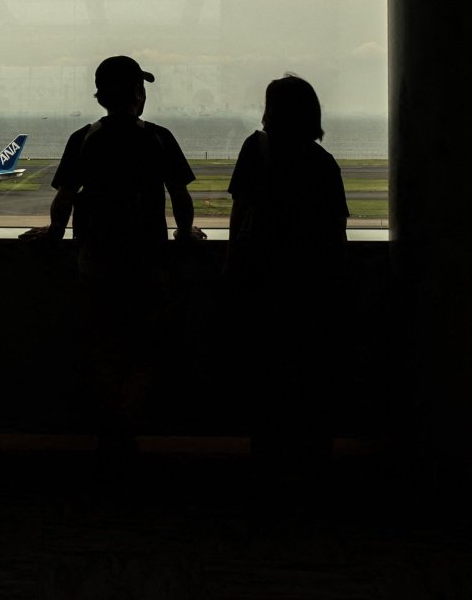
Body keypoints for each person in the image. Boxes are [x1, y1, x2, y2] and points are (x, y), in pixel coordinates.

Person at [22, 55, 204, 465]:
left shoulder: (83, 138)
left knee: (103, 346)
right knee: (145, 349)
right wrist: (183, 231)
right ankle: (127, 423)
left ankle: (110, 428)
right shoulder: (158, 137)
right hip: (148, 261)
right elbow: (180, 196)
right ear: (139, 96)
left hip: (96, 260)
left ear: (99, 97)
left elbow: (65, 197)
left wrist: (53, 234)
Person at [226, 74, 348, 481]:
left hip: (262, 277)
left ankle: (268, 460)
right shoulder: (322, 162)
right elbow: (335, 231)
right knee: (310, 374)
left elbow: (240, 211)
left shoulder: (255, 148)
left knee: (265, 373)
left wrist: (233, 263)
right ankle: (310, 461)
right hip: (310, 283)